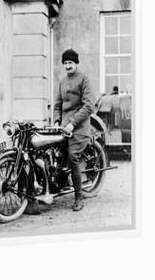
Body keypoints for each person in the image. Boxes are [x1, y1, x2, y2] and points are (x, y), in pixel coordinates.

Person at [53, 48, 96, 212]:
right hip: (64, 126)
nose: (68, 66)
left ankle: (78, 197)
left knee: (73, 157)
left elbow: (89, 106)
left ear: (76, 63)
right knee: (54, 153)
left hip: (80, 127)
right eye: (65, 63)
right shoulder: (62, 81)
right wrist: (57, 121)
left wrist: (72, 123)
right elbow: (57, 105)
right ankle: (59, 184)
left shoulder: (84, 79)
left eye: (70, 62)